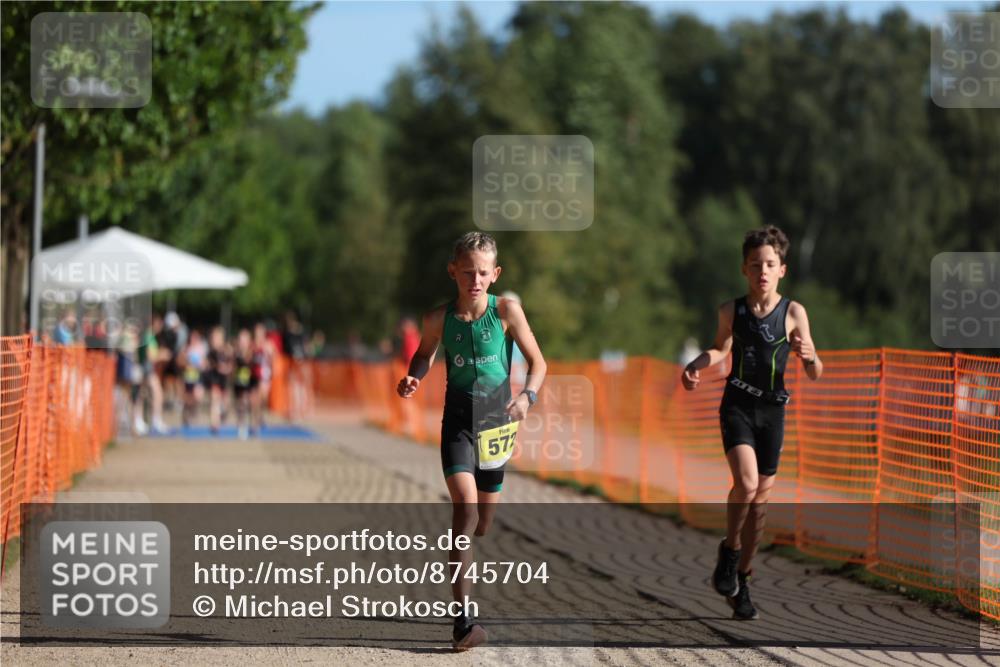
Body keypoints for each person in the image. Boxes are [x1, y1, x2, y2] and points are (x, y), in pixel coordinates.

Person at [397, 232, 547, 651]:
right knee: (463, 509)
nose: (475, 279)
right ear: (453, 272)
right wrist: (414, 375)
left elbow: (538, 362)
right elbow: (425, 354)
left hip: (497, 425)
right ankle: (463, 618)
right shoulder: (437, 319)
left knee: (483, 523)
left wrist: (526, 397)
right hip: (459, 422)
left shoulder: (506, 313)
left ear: (495, 274)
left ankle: (473, 549)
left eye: (483, 272)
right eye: (468, 272)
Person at [681, 225, 823, 620]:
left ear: (782, 270)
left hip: (773, 411)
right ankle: (729, 551)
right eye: (755, 264)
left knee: (760, 502)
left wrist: (810, 355)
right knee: (745, 483)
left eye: (770, 264)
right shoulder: (732, 311)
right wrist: (696, 364)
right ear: (745, 269)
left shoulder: (794, 313)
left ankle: (742, 579)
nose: (763, 270)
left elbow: (815, 371)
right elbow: (718, 349)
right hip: (738, 405)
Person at [204, 326, 233, 435]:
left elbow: (231, 366)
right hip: (214, 378)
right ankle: (214, 425)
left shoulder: (227, 350)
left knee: (225, 404)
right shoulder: (211, 351)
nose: (215, 340)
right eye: (214, 337)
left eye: (217, 337)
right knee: (214, 400)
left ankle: (222, 415)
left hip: (224, 380)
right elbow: (207, 364)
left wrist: (226, 369)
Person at [232, 328, 258, 440]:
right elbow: (233, 367)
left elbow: (253, 364)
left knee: (252, 403)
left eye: (245, 339)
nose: (243, 341)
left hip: (251, 380)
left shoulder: (253, 351)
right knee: (241, 404)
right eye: (241, 339)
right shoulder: (235, 352)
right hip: (239, 381)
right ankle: (241, 425)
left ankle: (253, 425)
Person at [180, 329, 207, 428]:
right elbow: (180, 361)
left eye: (196, 337)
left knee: (197, 396)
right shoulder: (186, 348)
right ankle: (186, 416)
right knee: (188, 398)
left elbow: (204, 363)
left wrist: (200, 365)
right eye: (192, 337)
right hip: (187, 377)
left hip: (197, 376)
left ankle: (193, 415)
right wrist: (187, 364)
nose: (194, 339)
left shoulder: (201, 348)